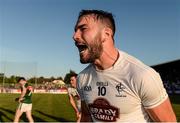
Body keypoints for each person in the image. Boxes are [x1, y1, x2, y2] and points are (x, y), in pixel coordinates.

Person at [72, 9, 176, 122]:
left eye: (83, 29)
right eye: (75, 30)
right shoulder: (82, 78)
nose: (74, 36)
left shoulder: (142, 75)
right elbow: (86, 116)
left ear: (106, 34)